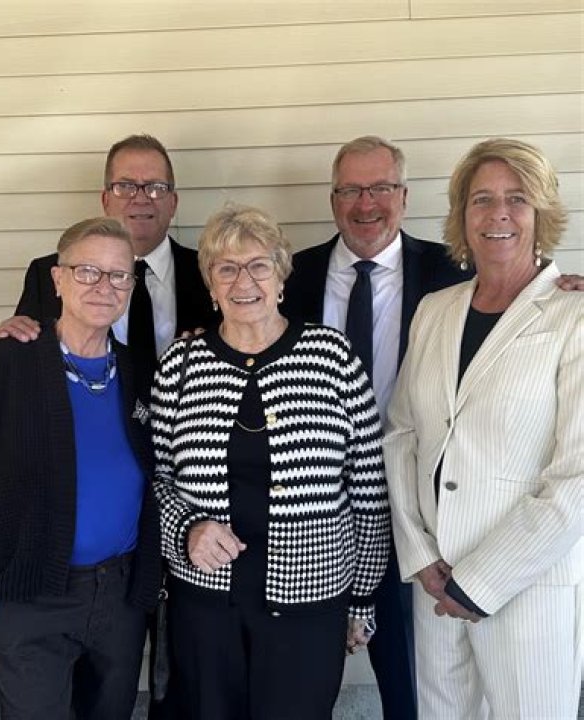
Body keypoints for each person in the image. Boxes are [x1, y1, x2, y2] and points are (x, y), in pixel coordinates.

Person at [150, 204, 390, 720]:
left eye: (258, 265)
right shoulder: (180, 364)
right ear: (210, 285)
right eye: (227, 268)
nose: (244, 281)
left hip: (310, 604)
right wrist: (186, 529)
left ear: (281, 276)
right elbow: (155, 477)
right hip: (205, 604)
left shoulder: (331, 356)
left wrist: (362, 598)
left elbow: (368, 488)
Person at [0, 218, 161, 720]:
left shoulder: (140, 372)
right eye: (87, 271)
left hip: (118, 601)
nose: (104, 286)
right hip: (30, 601)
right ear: (57, 279)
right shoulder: (4, 364)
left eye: (119, 275)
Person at [383, 138, 583, 719]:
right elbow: (401, 434)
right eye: (482, 199)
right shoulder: (435, 310)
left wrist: (478, 583)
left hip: (527, 589)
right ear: (462, 214)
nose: (499, 214)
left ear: (541, 212)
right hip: (435, 584)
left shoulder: (573, 316)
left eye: (517, 199)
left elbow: (575, 478)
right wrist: (419, 554)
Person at [283, 135, 472, 720]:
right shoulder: (292, 275)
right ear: (333, 199)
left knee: (409, 675)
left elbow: (520, 303)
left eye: (381, 188)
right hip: (312, 511)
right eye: (350, 190)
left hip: (416, 501)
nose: (366, 204)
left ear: (404, 196)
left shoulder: (455, 273)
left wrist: (565, 288)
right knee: (298, 678)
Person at [0, 133, 216, 399]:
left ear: (173, 202)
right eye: (125, 186)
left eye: (156, 187)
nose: (141, 198)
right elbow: (26, 364)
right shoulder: (52, 274)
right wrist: (9, 343)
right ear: (106, 199)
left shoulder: (212, 274)